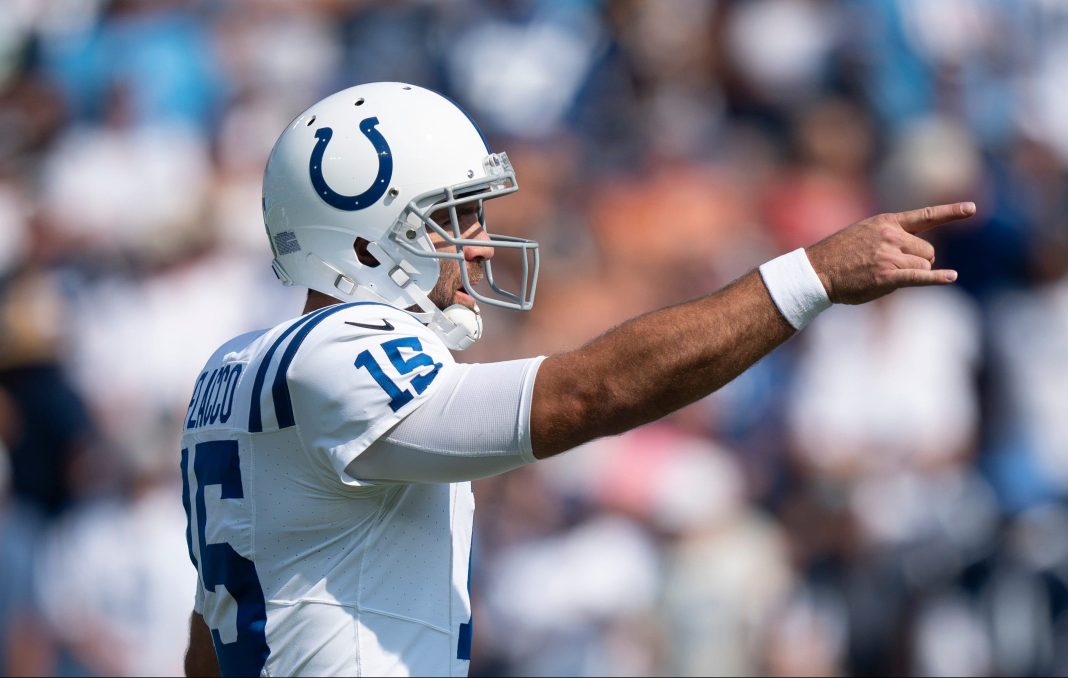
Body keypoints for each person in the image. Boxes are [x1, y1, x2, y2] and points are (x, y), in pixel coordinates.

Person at [180, 82, 975, 677]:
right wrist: (813, 276)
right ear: (358, 248)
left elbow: (209, 639)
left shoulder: (228, 371)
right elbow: (587, 394)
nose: (481, 246)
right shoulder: (341, 355)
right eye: (450, 219)